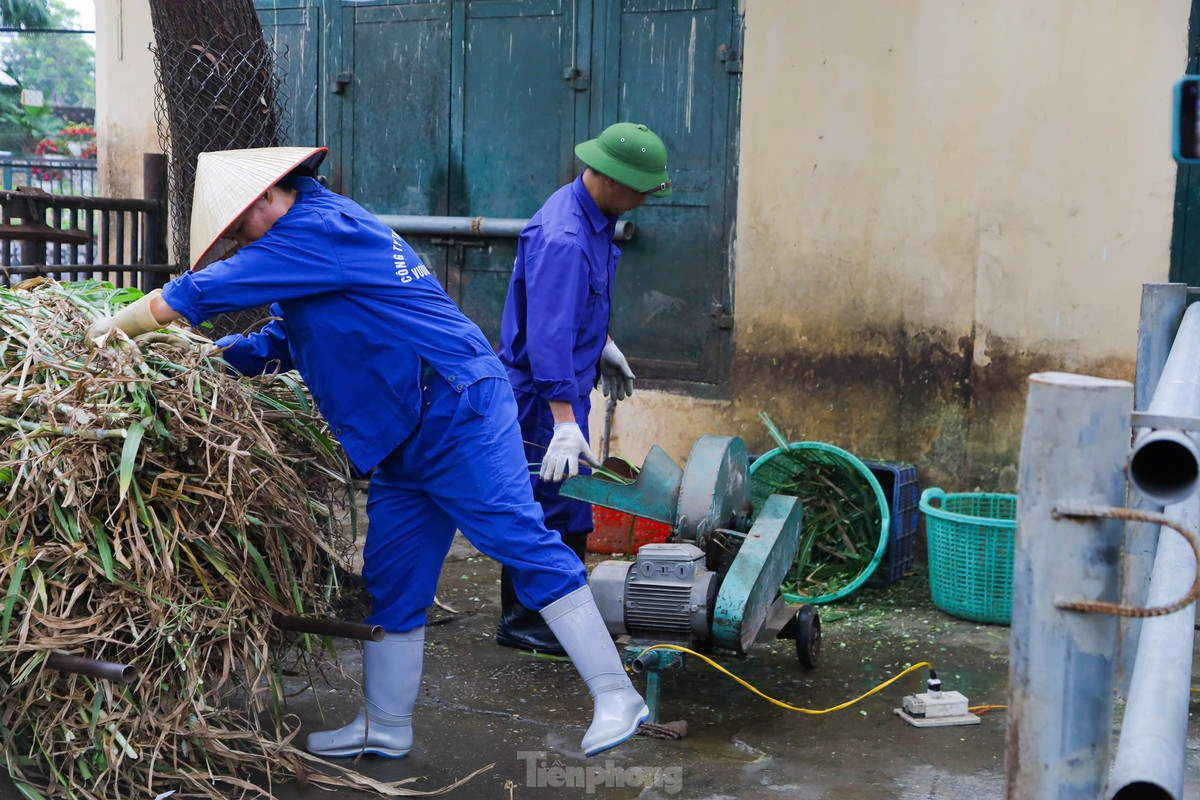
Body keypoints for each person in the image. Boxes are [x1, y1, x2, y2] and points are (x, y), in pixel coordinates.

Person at [84, 146, 649, 758]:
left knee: (519, 539)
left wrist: (101, 335)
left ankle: (618, 695)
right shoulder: (315, 240)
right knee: (394, 578)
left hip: (454, 406)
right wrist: (214, 362)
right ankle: (385, 725)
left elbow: (197, 292)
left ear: (267, 198)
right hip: (403, 429)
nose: (240, 246)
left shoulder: (315, 228)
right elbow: (288, 338)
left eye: (240, 229)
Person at [493, 123, 671, 654]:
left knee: (571, 503)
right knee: (544, 503)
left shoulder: (595, 216)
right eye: (640, 190)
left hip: (567, 384)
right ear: (613, 179)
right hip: (544, 395)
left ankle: (560, 607)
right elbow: (547, 338)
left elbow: (574, 308)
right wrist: (565, 422)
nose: (642, 201)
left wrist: (603, 345)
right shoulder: (566, 237)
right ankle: (524, 621)